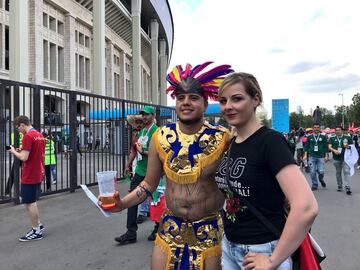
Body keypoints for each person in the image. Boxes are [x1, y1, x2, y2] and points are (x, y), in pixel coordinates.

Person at [100, 61, 233, 269]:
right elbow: (148, 184)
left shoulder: (222, 139)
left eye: (193, 98)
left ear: (205, 104)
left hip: (209, 231)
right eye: (181, 98)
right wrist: (122, 204)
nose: (186, 102)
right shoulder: (161, 137)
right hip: (170, 230)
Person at [215, 72, 318, 270]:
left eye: (237, 98)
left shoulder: (270, 141)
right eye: (223, 100)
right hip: (229, 245)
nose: (228, 106)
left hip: (263, 249)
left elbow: (306, 207)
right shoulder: (231, 144)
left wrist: (272, 260)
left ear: (255, 99)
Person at [114, 106, 158, 245]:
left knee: (156, 202)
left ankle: (158, 228)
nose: (144, 117)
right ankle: (130, 232)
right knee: (131, 202)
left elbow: (159, 154)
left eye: (146, 114)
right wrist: (128, 165)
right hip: (139, 171)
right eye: (142, 115)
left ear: (153, 115)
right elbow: (134, 150)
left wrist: (143, 151)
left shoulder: (157, 132)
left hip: (154, 173)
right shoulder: (141, 132)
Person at [7, 115, 46, 241]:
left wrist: (14, 151)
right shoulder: (39, 135)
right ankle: (38, 225)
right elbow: (36, 152)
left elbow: (24, 158)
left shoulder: (28, 136)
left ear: (22, 124)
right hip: (37, 171)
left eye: (18, 128)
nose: (19, 131)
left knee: (30, 202)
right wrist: (22, 149)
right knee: (30, 201)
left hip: (30, 173)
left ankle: (36, 231)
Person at [303, 123, 329, 190]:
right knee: (312, 171)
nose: (316, 128)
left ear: (319, 128)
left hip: (321, 156)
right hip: (312, 156)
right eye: (315, 127)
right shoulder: (309, 137)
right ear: (313, 128)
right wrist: (305, 155)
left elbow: (326, 147)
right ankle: (315, 184)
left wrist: (326, 156)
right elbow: (306, 147)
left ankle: (321, 179)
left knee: (321, 171)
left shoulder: (323, 137)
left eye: (317, 127)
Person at [328, 126, 353, 194]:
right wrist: (334, 150)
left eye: (339, 130)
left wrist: (348, 146)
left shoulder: (347, 137)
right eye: (336, 130)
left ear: (342, 131)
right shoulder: (332, 138)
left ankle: (348, 187)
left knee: (346, 172)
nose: (337, 131)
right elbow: (329, 146)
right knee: (338, 172)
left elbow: (352, 146)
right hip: (336, 158)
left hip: (346, 158)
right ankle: (339, 186)